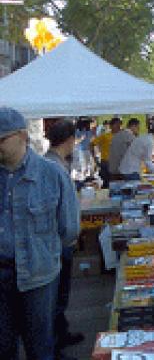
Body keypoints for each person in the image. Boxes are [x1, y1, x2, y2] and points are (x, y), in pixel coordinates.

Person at [0, 107, 80, 360]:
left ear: (23, 136)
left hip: (39, 276)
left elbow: (69, 228)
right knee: (3, 346)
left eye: (2, 139)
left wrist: (44, 251)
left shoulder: (51, 174)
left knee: (40, 348)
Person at [45, 120, 85, 356]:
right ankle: (53, 344)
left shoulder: (55, 163)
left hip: (60, 242)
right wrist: (69, 235)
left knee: (60, 295)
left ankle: (61, 333)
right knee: (56, 297)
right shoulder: (53, 166)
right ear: (69, 140)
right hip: (59, 243)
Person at [91, 117, 119, 187]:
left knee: (116, 183)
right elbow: (91, 144)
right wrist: (95, 159)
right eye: (116, 125)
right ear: (111, 126)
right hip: (106, 163)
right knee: (106, 183)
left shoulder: (122, 136)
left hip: (118, 163)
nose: (118, 126)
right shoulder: (105, 136)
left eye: (119, 124)